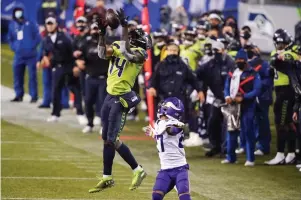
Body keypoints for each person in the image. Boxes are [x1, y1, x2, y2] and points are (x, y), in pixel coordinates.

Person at [89, 9, 149, 193]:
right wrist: (101, 34)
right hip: (109, 96)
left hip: (120, 98)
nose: (129, 38)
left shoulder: (140, 54)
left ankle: (128, 172)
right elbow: (101, 53)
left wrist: (123, 27)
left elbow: (128, 53)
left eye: (132, 36)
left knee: (111, 140)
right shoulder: (119, 45)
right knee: (107, 139)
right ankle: (119, 174)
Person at [192, 41, 235, 156]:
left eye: (218, 50)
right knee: (212, 122)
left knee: (227, 124)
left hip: (230, 98)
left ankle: (226, 149)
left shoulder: (230, 63)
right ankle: (215, 146)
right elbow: (195, 75)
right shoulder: (210, 64)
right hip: (217, 98)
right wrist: (200, 89)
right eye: (214, 50)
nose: (216, 52)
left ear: (223, 50)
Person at [41, 16, 85, 124]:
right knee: (55, 90)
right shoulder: (46, 39)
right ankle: (55, 114)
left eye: (51, 23)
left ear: (56, 24)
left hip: (69, 66)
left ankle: (80, 113)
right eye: (48, 24)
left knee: (75, 89)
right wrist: (45, 59)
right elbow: (45, 52)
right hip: (57, 67)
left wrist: (75, 65)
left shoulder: (64, 37)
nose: (50, 26)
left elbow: (72, 52)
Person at [144, 97, 191, 200]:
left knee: (184, 196)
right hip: (165, 170)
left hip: (180, 169)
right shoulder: (159, 124)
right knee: (156, 195)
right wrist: (153, 133)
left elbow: (172, 130)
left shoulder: (175, 124)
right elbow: (162, 136)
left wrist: (176, 128)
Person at [148, 42, 205, 125]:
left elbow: (193, 80)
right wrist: (152, 87)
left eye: (175, 50)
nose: (172, 52)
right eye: (170, 50)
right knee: (163, 123)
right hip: (163, 97)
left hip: (179, 98)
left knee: (178, 124)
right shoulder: (161, 65)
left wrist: (199, 91)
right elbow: (153, 79)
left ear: (178, 52)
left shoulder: (183, 66)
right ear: (167, 51)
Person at [265, 29, 299, 165]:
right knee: (286, 122)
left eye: (283, 44)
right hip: (279, 90)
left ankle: (281, 153)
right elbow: (274, 60)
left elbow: (294, 56)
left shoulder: (293, 50)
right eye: (279, 45)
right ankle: (290, 153)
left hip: (288, 89)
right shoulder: (275, 53)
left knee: (283, 123)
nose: (281, 47)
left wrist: (288, 54)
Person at [222, 49, 261, 166]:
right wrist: (227, 96)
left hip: (248, 105)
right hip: (233, 105)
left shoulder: (253, 73)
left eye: (242, 59)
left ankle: (250, 158)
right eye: (238, 59)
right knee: (231, 131)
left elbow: (257, 90)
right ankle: (231, 157)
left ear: (246, 60)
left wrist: (244, 97)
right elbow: (226, 86)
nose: (239, 61)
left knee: (248, 131)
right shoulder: (232, 72)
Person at [77, 23, 109, 134]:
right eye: (94, 29)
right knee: (88, 101)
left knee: (103, 102)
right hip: (90, 78)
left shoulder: (107, 43)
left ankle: (103, 125)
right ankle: (89, 124)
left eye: (98, 29)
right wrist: (78, 61)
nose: (95, 31)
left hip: (103, 78)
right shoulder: (86, 44)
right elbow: (79, 56)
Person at [8, 4, 41, 102]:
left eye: (19, 11)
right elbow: (10, 38)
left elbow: (38, 37)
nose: (18, 13)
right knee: (17, 76)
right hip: (19, 55)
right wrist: (15, 47)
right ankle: (19, 95)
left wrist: (32, 46)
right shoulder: (12, 25)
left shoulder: (30, 23)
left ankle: (33, 96)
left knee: (32, 77)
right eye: (16, 11)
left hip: (31, 55)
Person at [245, 45, 273, 156]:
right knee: (251, 122)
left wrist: (257, 87)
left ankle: (263, 146)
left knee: (262, 122)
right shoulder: (247, 64)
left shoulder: (263, 64)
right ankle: (251, 145)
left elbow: (268, 80)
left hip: (262, 97)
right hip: (251, 96)